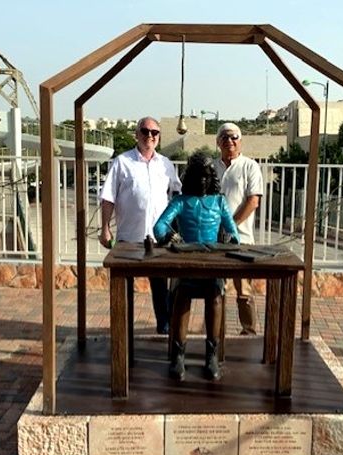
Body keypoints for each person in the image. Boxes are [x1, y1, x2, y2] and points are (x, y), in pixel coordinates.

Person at [154, 152, 239, 381]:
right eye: (198, 176)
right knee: (181, 295)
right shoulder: (180, 202)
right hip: (186, 263)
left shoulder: (219, 201)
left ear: (212, 178)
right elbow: (159, 226)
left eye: (207, 176)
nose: (203, 181)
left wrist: (229, 238)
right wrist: (170, 236)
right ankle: (178, 355)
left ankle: (211, 355)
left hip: (212, 265)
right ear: (190, 178)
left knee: (215, 296)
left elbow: (234, 233)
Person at [99, 116, 182, 334]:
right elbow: (108, 197)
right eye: (145, 131)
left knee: (160, 285)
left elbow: (177, 194)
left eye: (154, 132)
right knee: (124, 287)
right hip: (129, 237)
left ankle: (164, 327)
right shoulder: (122, 162)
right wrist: (105, 228)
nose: (150, 136)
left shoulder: (165, 164)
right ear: (137, 134)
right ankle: (122, 329)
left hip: (159, 238)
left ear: (159, 137)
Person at [213, 122, 264, 336]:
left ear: (240, 141)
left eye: (234, 137)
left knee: (243, 290)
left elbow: (253, 201)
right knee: (216, 290)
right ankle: (216, 334)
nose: (229, 141)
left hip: (241, 239)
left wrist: (230, 225)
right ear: (218, 142)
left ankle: (249, 332)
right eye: (224, 137)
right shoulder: (212, 167)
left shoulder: (250, 166)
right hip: (214, 240)